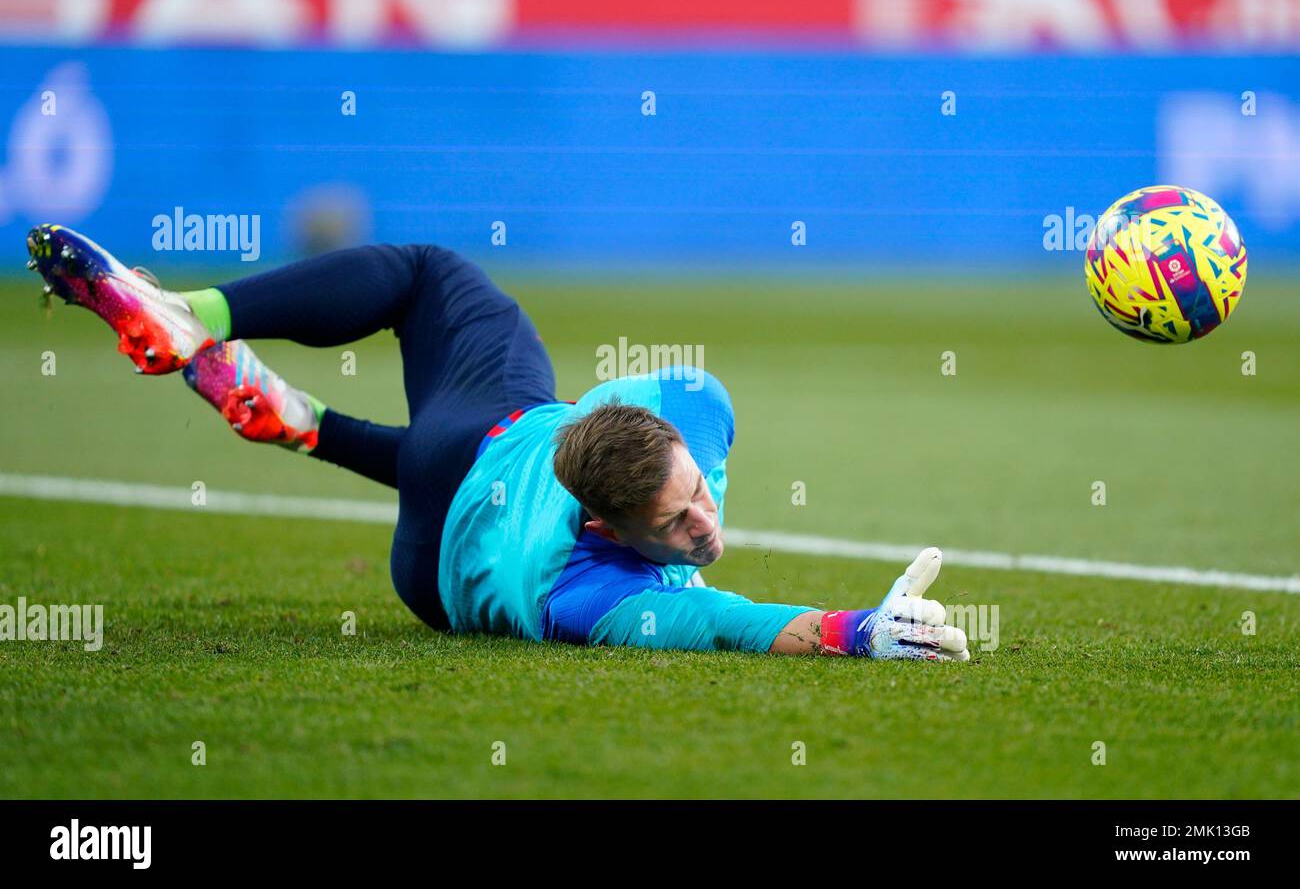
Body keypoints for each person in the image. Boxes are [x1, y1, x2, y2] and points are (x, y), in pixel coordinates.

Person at [26, 224, 971, 661]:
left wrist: (643, 464)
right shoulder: (593, 599)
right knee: (440, 344)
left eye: (696, 494)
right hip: (431, 573)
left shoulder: (693, 404)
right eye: (677, 523)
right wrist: (864, 632)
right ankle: (280, 407)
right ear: (602, 526)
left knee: (426, 273)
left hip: (484, 432)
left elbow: (633, 404)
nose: (704, 524)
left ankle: (197, 318)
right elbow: (742, 623)